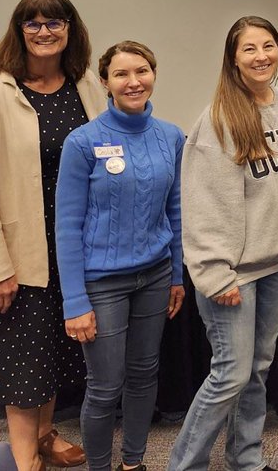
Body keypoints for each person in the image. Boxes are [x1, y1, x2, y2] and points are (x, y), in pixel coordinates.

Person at [0, 0, 107, 471]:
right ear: (19, 31)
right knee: (23, 366)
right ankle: (27, 462)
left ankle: (45, 434)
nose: (45, 32)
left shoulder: (85, 86)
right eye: (34, 24)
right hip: (19, 254)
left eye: (54, 22)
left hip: (72, 248)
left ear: (70, 29)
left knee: (53, 357)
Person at [168, 16, 278, 471]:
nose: (262, 56)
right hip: (234, 274)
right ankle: (184, 465)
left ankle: (246, 460)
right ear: (233, 58)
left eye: (268, 45)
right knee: (230, 374)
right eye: (249, 49)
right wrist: (213, 272)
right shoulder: (218, 119)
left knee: (257, 370)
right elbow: (204, 201)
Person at [55, 40, 186, 471]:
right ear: (105, 81)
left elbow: (176, 210)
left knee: (144, 375)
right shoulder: (83, 142)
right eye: (122, 74)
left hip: (155, 275)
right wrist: (75, 301)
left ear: (154, 73)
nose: (134, 82)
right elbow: (66, 227)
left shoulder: (170, 136)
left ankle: (133, 462)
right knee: (106, 387)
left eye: (142, 71)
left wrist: (176, 275)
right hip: (102, 283)